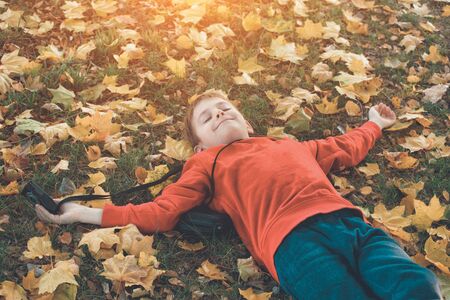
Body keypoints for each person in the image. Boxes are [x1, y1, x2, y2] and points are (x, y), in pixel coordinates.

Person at [35, 89, 443, 299]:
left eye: (225, 107)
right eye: (207, 118)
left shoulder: (289, 145)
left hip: (354, 227)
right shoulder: (207, 164)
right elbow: (160, 212)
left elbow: (345, 147)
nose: (219, 114)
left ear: (245, 118)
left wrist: (374, 125)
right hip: (292, 245)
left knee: (418, 284)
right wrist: (79, 215)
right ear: (199, 146)